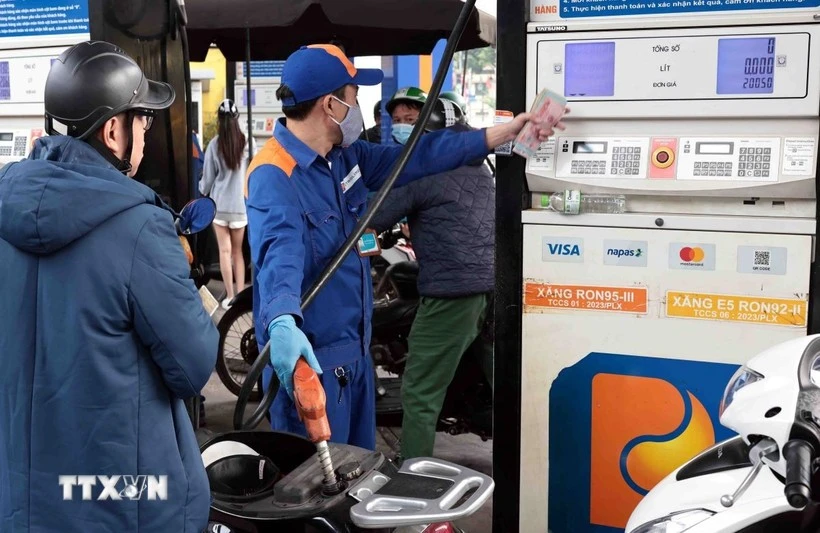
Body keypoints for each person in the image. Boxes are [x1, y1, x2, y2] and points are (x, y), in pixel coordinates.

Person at [245, 43, 564, 450]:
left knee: (358, 472)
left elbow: (420, 156)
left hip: (356, 352)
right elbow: (279, 255)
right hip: (312, 360)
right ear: (330, 105)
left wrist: (499, 133)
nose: (358, 107)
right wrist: (281, 321)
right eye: (353, 97)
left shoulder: (345, 157)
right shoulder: (274, 174)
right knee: (316, 478)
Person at [0, 41, 218, 533]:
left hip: (23, 499)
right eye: (144, 120)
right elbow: (193, 365)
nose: (146, 133)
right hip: (120, 499)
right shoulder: (140, 228)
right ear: (114, 129)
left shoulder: (5, 210)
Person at [370, 97, 495, 460]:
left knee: (420, 391)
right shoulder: (478, 167)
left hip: (453, 290)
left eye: (411, 122)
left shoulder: (424, 169)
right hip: (492, 288)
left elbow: (374, 214)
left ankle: (412, 475)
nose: (403, 128)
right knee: (503, 385)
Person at [200, 99, 248, 310]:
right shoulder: (247, 143)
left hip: (219, 207)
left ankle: (229, 297)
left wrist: (201, 189)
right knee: (238, 253)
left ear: (219, 120)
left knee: (225, 252)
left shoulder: (214, 144)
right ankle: (241, 297)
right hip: (239, 207)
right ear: (237, 119)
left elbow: (207, 180)